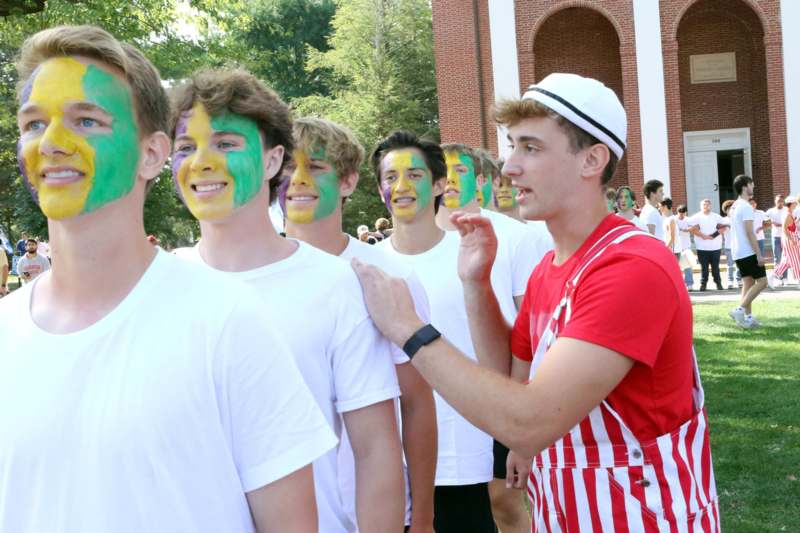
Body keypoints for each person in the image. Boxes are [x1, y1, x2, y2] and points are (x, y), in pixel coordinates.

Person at [352, 73, 719, 532]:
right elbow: (508, 376)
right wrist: (477, 286)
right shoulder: (551, 266)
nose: (508, 167)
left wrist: (409, 330)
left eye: (530, 148)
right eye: (511, 147)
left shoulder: (632, 267)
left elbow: (527, 422)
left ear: (592, 159)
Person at [4, 25, 335, 533]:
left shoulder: (227, 322)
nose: (51, 143)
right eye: (33, 124)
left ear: (152, 154)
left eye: (87, 120)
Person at [169, 69, 405, 533]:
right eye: (185, 148)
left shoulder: (335, 285)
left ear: (274, 158)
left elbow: (377, 450)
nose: (202, 162)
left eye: (226, 144)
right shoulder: (159, 286)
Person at [283, 117, 437, 533]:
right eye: (286, 168)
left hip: (368, 514)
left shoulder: (389, 277)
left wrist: (422, 516)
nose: (297, 180)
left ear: (348, 182)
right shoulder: (247, 278)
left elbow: (418, 404)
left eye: (315, 167)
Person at [370, 131, 498, 533]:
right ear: (379, 190)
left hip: (462, 454)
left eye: (415, 175)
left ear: (440, 184)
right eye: (390, 178)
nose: (401, 187)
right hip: (388, 462)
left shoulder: (468, 256)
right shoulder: (366, 267)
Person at [435, 142, 551, 533]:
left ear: (482, 179)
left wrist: (526, 402)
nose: (449, 180)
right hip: (441, 395)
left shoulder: (516, 237)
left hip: (500, 386)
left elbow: (534, 325)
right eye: (443, 171)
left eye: (460, 171)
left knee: (503, 497)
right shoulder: (419, 240)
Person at [729, 174, 768, 328]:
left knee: (748, 282)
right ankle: (739, 309)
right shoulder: (745, 206)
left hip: (737, 251)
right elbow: (749, 232)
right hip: (747, 251)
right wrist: (759, 254)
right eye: (752, 184)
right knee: (763, 282)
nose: (754, 187)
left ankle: (748, 318)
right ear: (745, 187)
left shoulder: (735, 205)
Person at [688, 199, 725, 291]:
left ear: (710, 205)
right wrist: (703, 235)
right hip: (702, 247)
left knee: (715, 267)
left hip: (715, 247)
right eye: (704, 204)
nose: (706, 206)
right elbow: (690, 228)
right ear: (701, 206)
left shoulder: (716, 217)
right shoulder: (696, 217)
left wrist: (713, 235)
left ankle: (718, 284)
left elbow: (724, 227)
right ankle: (703, 284)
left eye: (708, 204)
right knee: (704, 267)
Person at [772, 195, 800, 284]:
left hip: (788, 239)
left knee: (786, 261)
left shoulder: (788, 213)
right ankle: (799, 280)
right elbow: (785, 229)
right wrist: (792, 240)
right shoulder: (788, 214)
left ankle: (772, 277)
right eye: (795, 203)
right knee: (796, 259)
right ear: (791, 204)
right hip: (789, 239)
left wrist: (797, 220)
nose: (796, 204)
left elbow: (790, 226)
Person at [766, 194, 787, 281]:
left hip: (785, 237)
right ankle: (779, 277)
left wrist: (782, 225)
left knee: (785, 258)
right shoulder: (770, 211)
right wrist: (771, 222)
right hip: (776, 237)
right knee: (777, 258)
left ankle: (785, 278)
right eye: (778, 201)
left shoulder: (786, 210)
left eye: (782, 201)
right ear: (775, 201)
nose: (780, 203)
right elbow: (765, 221)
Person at [721, 199, 739, 288]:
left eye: (733, 208)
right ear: (726, 210)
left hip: (739, 245)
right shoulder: (723, 220)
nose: (731, 210)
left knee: (739, 265)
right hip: (728, 246)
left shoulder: (739, 219)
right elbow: (719, 229)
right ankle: (730, 281)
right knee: (730, 265)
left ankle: (739, 280)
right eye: (729, 209)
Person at [675, 205, 694, 290]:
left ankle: (689, 284)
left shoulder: (688, 220)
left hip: (686, 246)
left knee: (688, 265)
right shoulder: (674, 220)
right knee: (677, 267)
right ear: (677, 212)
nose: (681, 215)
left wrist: (688, 229)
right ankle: (679, 284)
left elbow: (694, 227)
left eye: (683, 213)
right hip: (677, 246)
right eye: (680, 213)